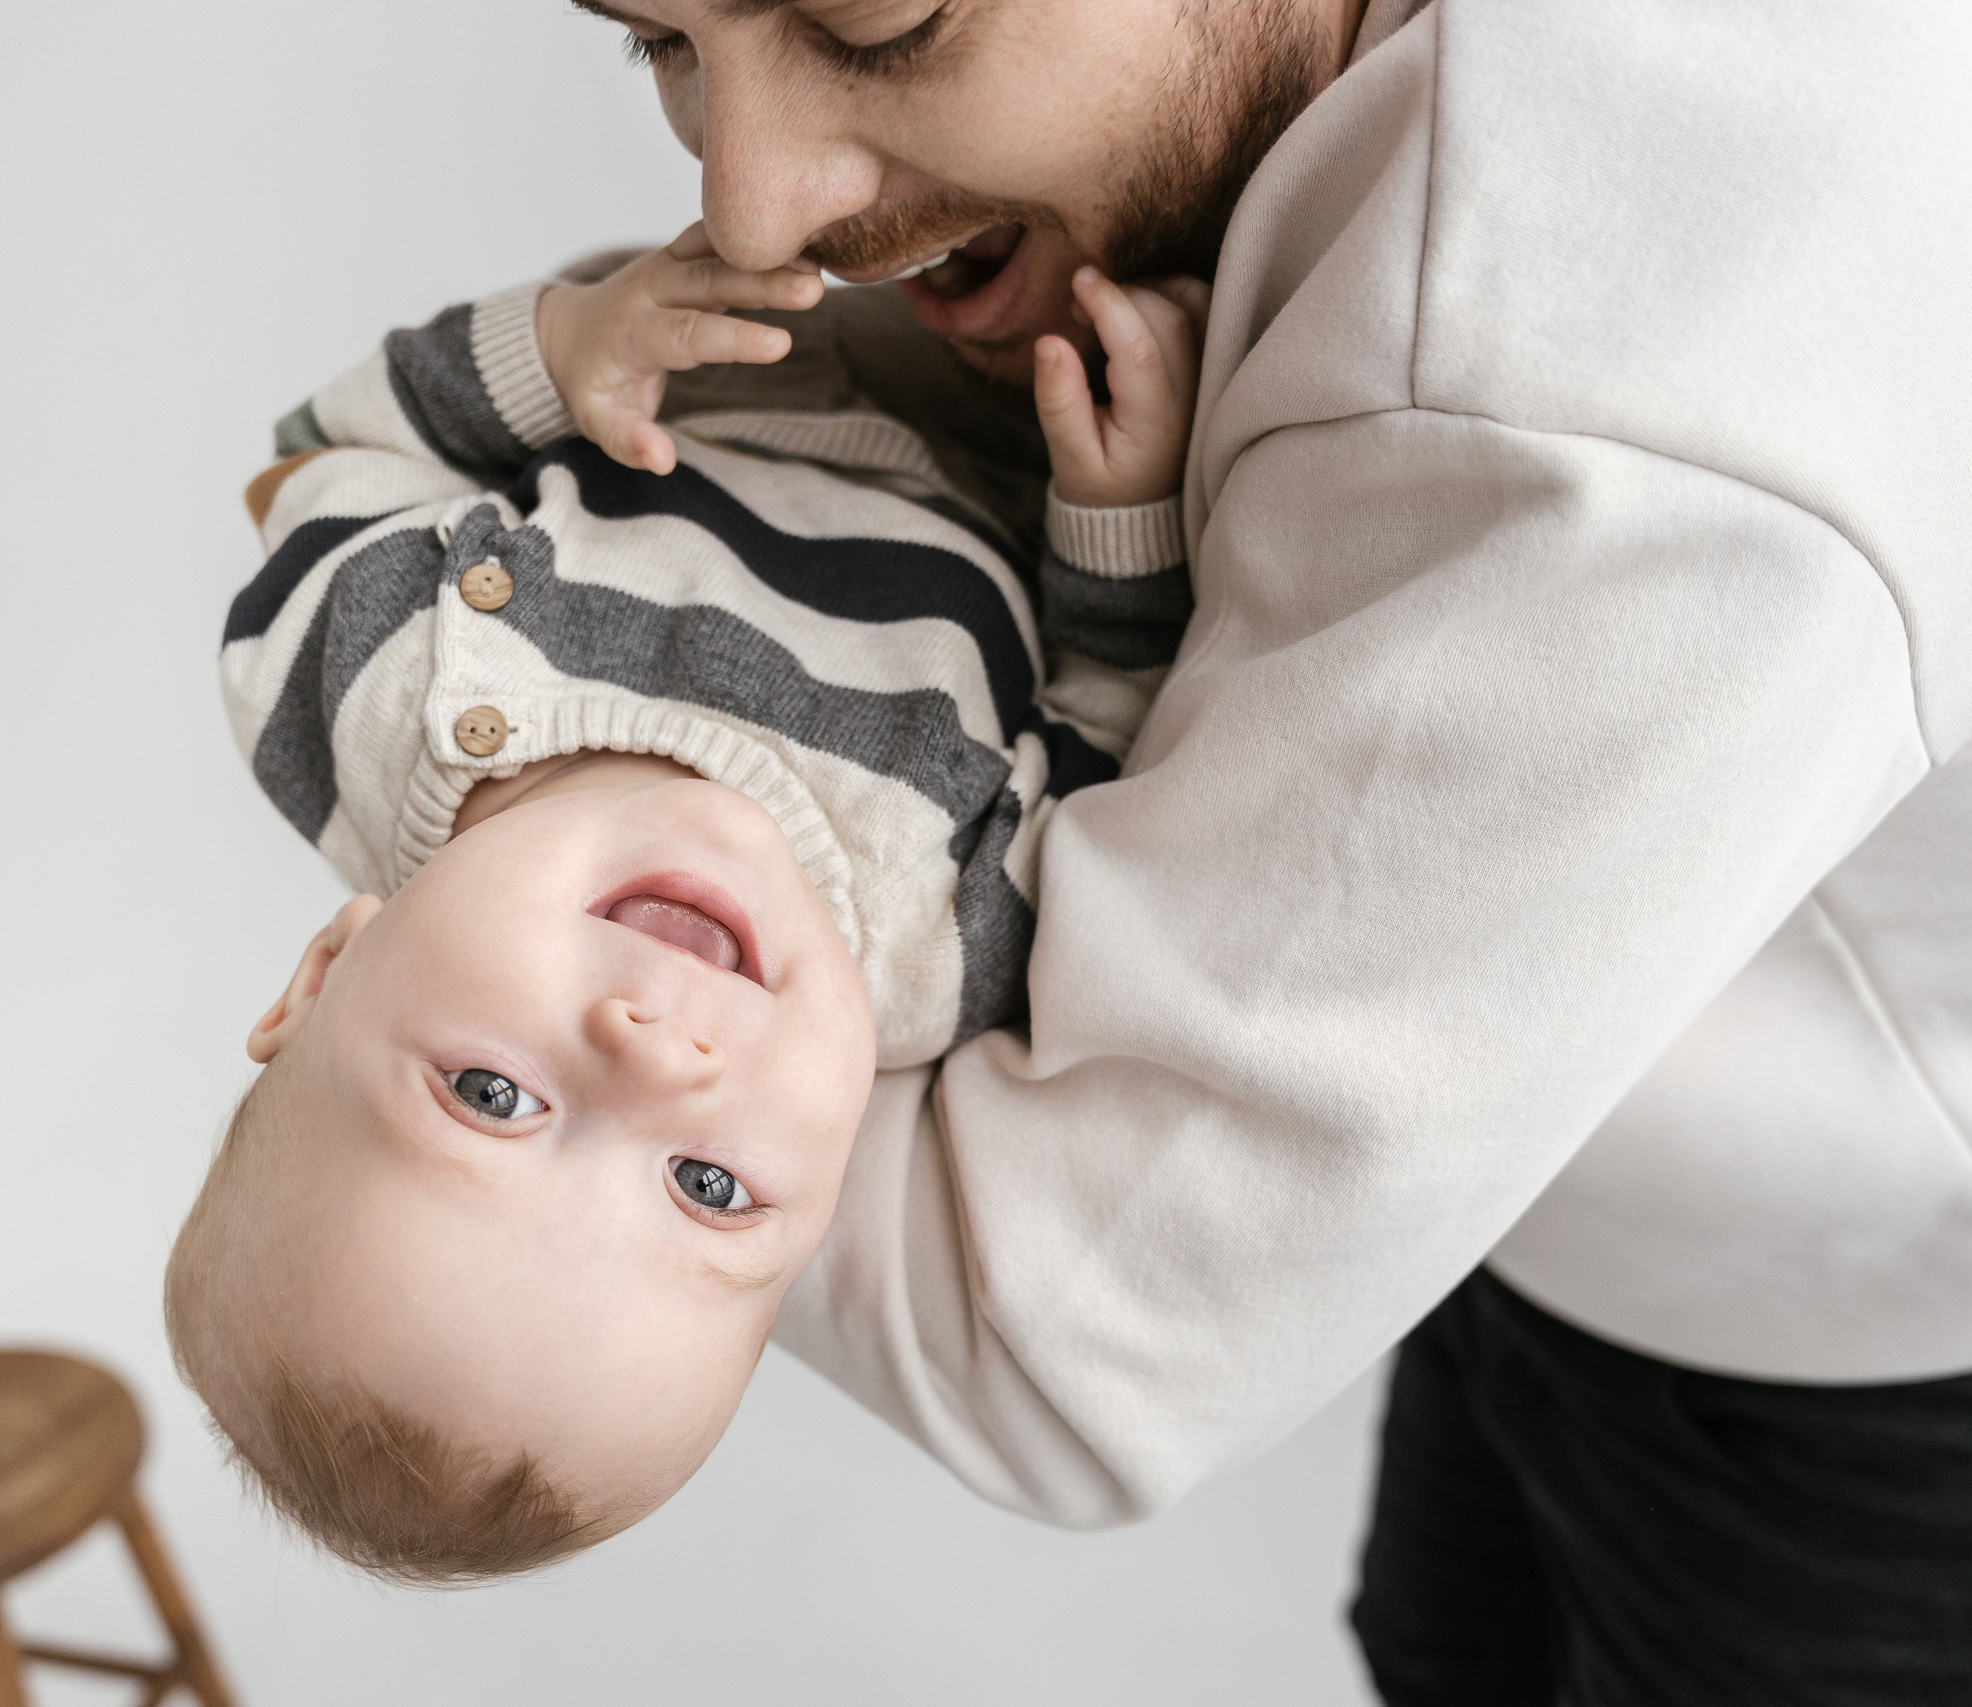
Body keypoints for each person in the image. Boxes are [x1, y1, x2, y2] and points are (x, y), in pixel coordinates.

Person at [530, 1, 1972, 1702]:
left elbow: (1059, 1327)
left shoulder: (1593, 422)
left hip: (1845, 1358)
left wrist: (476, 878)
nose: (754, 204)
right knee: (1436, 1650)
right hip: (1527, 1184)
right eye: (661, 40)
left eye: (880, 23)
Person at [166, 228, 1208, 1582]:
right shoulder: (940, 941)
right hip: (1006, 419)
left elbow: (328, 445)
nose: (660, 1054)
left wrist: (561, 348)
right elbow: (1099, 716)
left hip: (759, 327)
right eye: (709, 1186)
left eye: (491, 1096)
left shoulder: (353, 691)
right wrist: (1117, 516)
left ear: (323, 975)